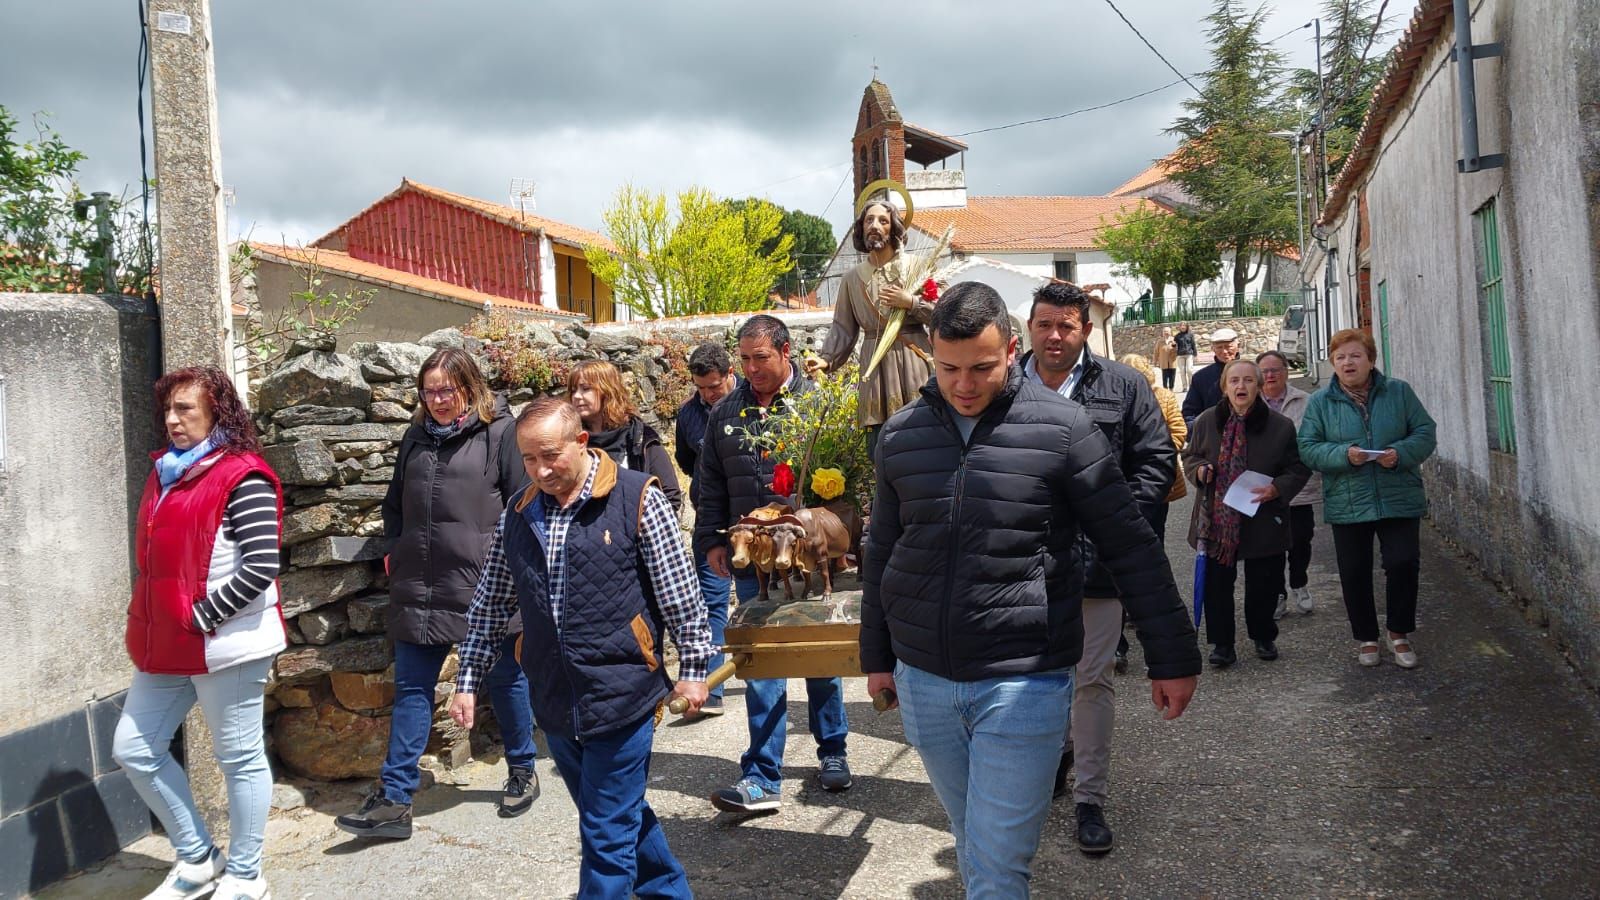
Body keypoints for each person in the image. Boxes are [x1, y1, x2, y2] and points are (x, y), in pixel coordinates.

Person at [862, 283, 1200, 897]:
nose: (964, 384)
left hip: (1024, 681)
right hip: (926, 684)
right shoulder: (902, 435)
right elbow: (883, 552)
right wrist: (877, 657)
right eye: (949, 369)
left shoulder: (1064, 429)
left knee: (996, 866)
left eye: (983, 368)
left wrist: (1171, 653)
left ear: (1011, 350)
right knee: (975, 843)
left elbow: (1129, 543)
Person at [450, 398, 713, 899]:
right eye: (528, 459)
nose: (540, 470)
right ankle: (669, 892)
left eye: (550, 455)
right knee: (611, 814)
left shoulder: (637, 498)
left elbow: (680, 595)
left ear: (582, 442)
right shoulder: (520, 511)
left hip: (623, 693)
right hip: (552, 697)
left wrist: (694, 669)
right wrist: (468, 681)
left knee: (604, 836)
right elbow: (490, 603)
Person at [337, 349, 536, 840]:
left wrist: (510, 572)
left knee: (506, 680)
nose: (439, 400)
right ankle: (395, 799)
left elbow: (524, 506)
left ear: (470, 388)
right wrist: (397, 550)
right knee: (410, 688)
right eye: (430, 392)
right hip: (419, 586)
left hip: (484, 584)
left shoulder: (501, 434)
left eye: (448, 390)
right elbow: (395, 504)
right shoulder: (415, 437)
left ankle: (523, 768)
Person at [114, 366, 286, 900]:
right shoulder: (166, 472)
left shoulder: (243, 474)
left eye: (185, 408)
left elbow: (261, 564)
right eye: (168, 409)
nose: (172, 419)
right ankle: (196, 857)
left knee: (237, 759)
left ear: (217, 411)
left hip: (225, 642)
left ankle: (245, 871)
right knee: (134, 749)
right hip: (168, 643)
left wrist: (202, 615)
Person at [1019, 281, 1174, 857]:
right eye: (1044, 324)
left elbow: (1156, 465)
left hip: (1098, 565)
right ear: (1028, 327)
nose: (1054, 336)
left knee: (1091, 679)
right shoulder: (1006, 385)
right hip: (1025, 566)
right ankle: (1045, 769)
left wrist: (1109, 527)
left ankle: (1090, 799)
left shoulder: (1124, 385)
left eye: (1066, 326)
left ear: (1085, 329)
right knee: (1032, 677)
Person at [695, 314, 852, 812]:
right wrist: (712, 541)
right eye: (743, 359)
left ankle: (832, 752)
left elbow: (848, 478)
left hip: (808, 558)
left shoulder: (819, 405)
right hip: (756, 564)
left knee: (818, 657)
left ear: (785, 352)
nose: (750, 368)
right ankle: (762, 775)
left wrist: (844, 538)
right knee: (761, 664)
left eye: (759, 358)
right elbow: (710, 487)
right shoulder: (725, 414)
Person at [1298, 329, 1437, 668]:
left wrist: (1399, 453)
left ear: (1371, 360)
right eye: (1341, 357)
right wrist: (1345, 454)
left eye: (1355, 355)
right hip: (1348, 498)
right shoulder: (1320, 402)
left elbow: (1425, 432)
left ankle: (1398, 633)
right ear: (1333, 362)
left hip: (1398, 493)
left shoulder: (1399, 392)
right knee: (1354, 570)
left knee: (1403, 562)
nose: (1348, 362)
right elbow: (1308, 448)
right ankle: (1367, 637)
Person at [1184, 359, 1311, 666]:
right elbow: (1190, 456)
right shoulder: (1206, 421)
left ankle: (1263, 635)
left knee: (1264, 583)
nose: (1241, 387)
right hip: (1216, 520)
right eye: (1234, 381)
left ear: (1258, 386)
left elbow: (1297, 467)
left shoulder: (1279, 426)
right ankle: (1222, 644)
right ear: (1224, 386)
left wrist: (1277, 489)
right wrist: (1199, 471)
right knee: (1217, 585)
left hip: (1262, 516)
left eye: (1248, 381)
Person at [806, 198, 935, 458]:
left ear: (895, 228)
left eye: (882, 220)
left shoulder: (917, 267)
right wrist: (826, 359)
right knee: (879, 443)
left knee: (922, 431)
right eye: (868, 220)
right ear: (860, 228)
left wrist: (909, 302)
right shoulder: (852, 279)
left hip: (912, 358)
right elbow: (843, 327)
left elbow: (942, 314)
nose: (874, 226)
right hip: (874, 365)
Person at [674, 342, 740, 719]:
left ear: (730, 374)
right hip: (711, 522)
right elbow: (687, 463)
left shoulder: (750, 403)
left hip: (754, 519)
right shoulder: (688, 415)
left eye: (714, 387)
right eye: (701, 389)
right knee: (711, 602)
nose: (708, 395)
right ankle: (713, 687)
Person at [567, 359, 683, 512]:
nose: (577, 396)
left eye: (585, 389)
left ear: (607, 391)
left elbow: (670, 495)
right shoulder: (568, 440)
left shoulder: (640, 437)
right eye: (573, 390)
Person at [1257, 350, 1320, 617]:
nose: (1270, 376)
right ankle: (1278, 593)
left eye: (1276, 370)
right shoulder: (1250, 402)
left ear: (1286, 371)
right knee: (1270, 546)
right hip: (1263, 489)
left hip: (1299, 489)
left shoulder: (1306, 401)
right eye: (1265, 371)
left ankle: (1299, 582)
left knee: (1301, 540)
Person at [1181, 326, 1241, 424]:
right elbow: (1189, 415)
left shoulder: (1252, 374)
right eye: (1219, 347)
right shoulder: (1201, 378)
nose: (1224, 351)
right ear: (1212, 349)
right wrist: (1203, 435)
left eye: (1228, 346)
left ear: (1238, 346)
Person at [1174, 323, 1198, 392]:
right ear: (1180, 327)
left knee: (1189, 370)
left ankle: (1191, 386)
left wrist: (1195, 355)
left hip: (1189, 354)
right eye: (1181, 326)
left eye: (1184, 326)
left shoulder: (1190, 335)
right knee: (1182, 371)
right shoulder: (1177, 336)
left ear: (1187, 327)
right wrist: (1173, 344)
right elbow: (1174, 345)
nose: (1183, 327)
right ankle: (1184, 387)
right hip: (1180, 355)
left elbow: (1193, 344)